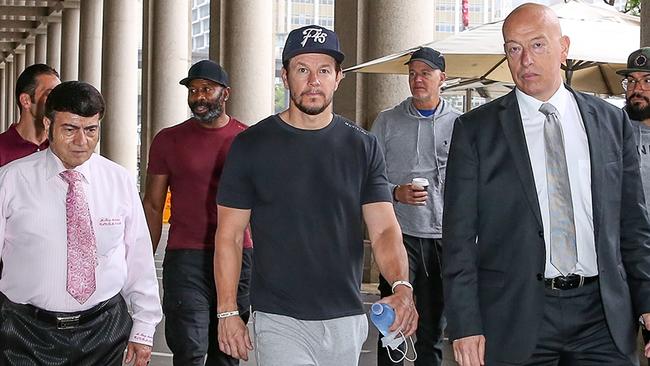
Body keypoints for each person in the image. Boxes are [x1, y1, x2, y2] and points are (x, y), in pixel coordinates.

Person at [443, 3, 650, 366]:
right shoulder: (475, 130)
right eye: (513, 48)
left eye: (537, 45)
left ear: (564, 48)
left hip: (602, 317)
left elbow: (633, 225)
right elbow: (458, 239)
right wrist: (464, 324)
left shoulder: (610, 123)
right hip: (516, 316)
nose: (525, 60)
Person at [213, 25, 417, 366]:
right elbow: (229, 236)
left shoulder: (363, 145)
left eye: (324, 70)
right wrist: (227, 311)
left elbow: (383, 229)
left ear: (338, 77)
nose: (313, 81)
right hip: (278, 318)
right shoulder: (250, 145)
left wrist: (400, 285)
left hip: (346, 318)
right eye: (302, 70)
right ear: (285, 76)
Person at [0, 81, 162, 366]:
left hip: (105, 331)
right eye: (70, 129)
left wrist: (144, 328)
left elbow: (138, 259)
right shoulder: (11, 180)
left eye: (91, 130)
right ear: (48, 124)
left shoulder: (118, 180)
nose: (81, 141)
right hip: (25, 334)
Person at [143, 60, 253, 366]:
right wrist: (141, 262)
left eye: (206, 89)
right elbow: (152, 204)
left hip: (238, 256)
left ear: (225, 93)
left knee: (227, 349)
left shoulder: (248, 140)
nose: (198, 96)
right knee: (189, 348)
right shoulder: (168, 139)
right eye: (193, 90)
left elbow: (264, 205)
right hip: (186, 256)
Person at [370, 46, 458, 366]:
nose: (417, 79)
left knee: (431, 331)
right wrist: (395, 192)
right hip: (399, 236)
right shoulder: (387, 121)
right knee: (391, 326)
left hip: (440, 238)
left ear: (442, 79)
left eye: (425, 73)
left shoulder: (459, 125)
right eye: (412, 73)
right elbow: (369, 178)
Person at [619, 47, 650, 364]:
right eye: (632, 80)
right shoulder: (611, 130)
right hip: (622, 265)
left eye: (647, 80)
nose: (637, 88)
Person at [0, 63, 60, 166]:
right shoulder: (2, 149)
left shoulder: (62, 149)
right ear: (26, 101)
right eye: (50, 94)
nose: (60, 102)